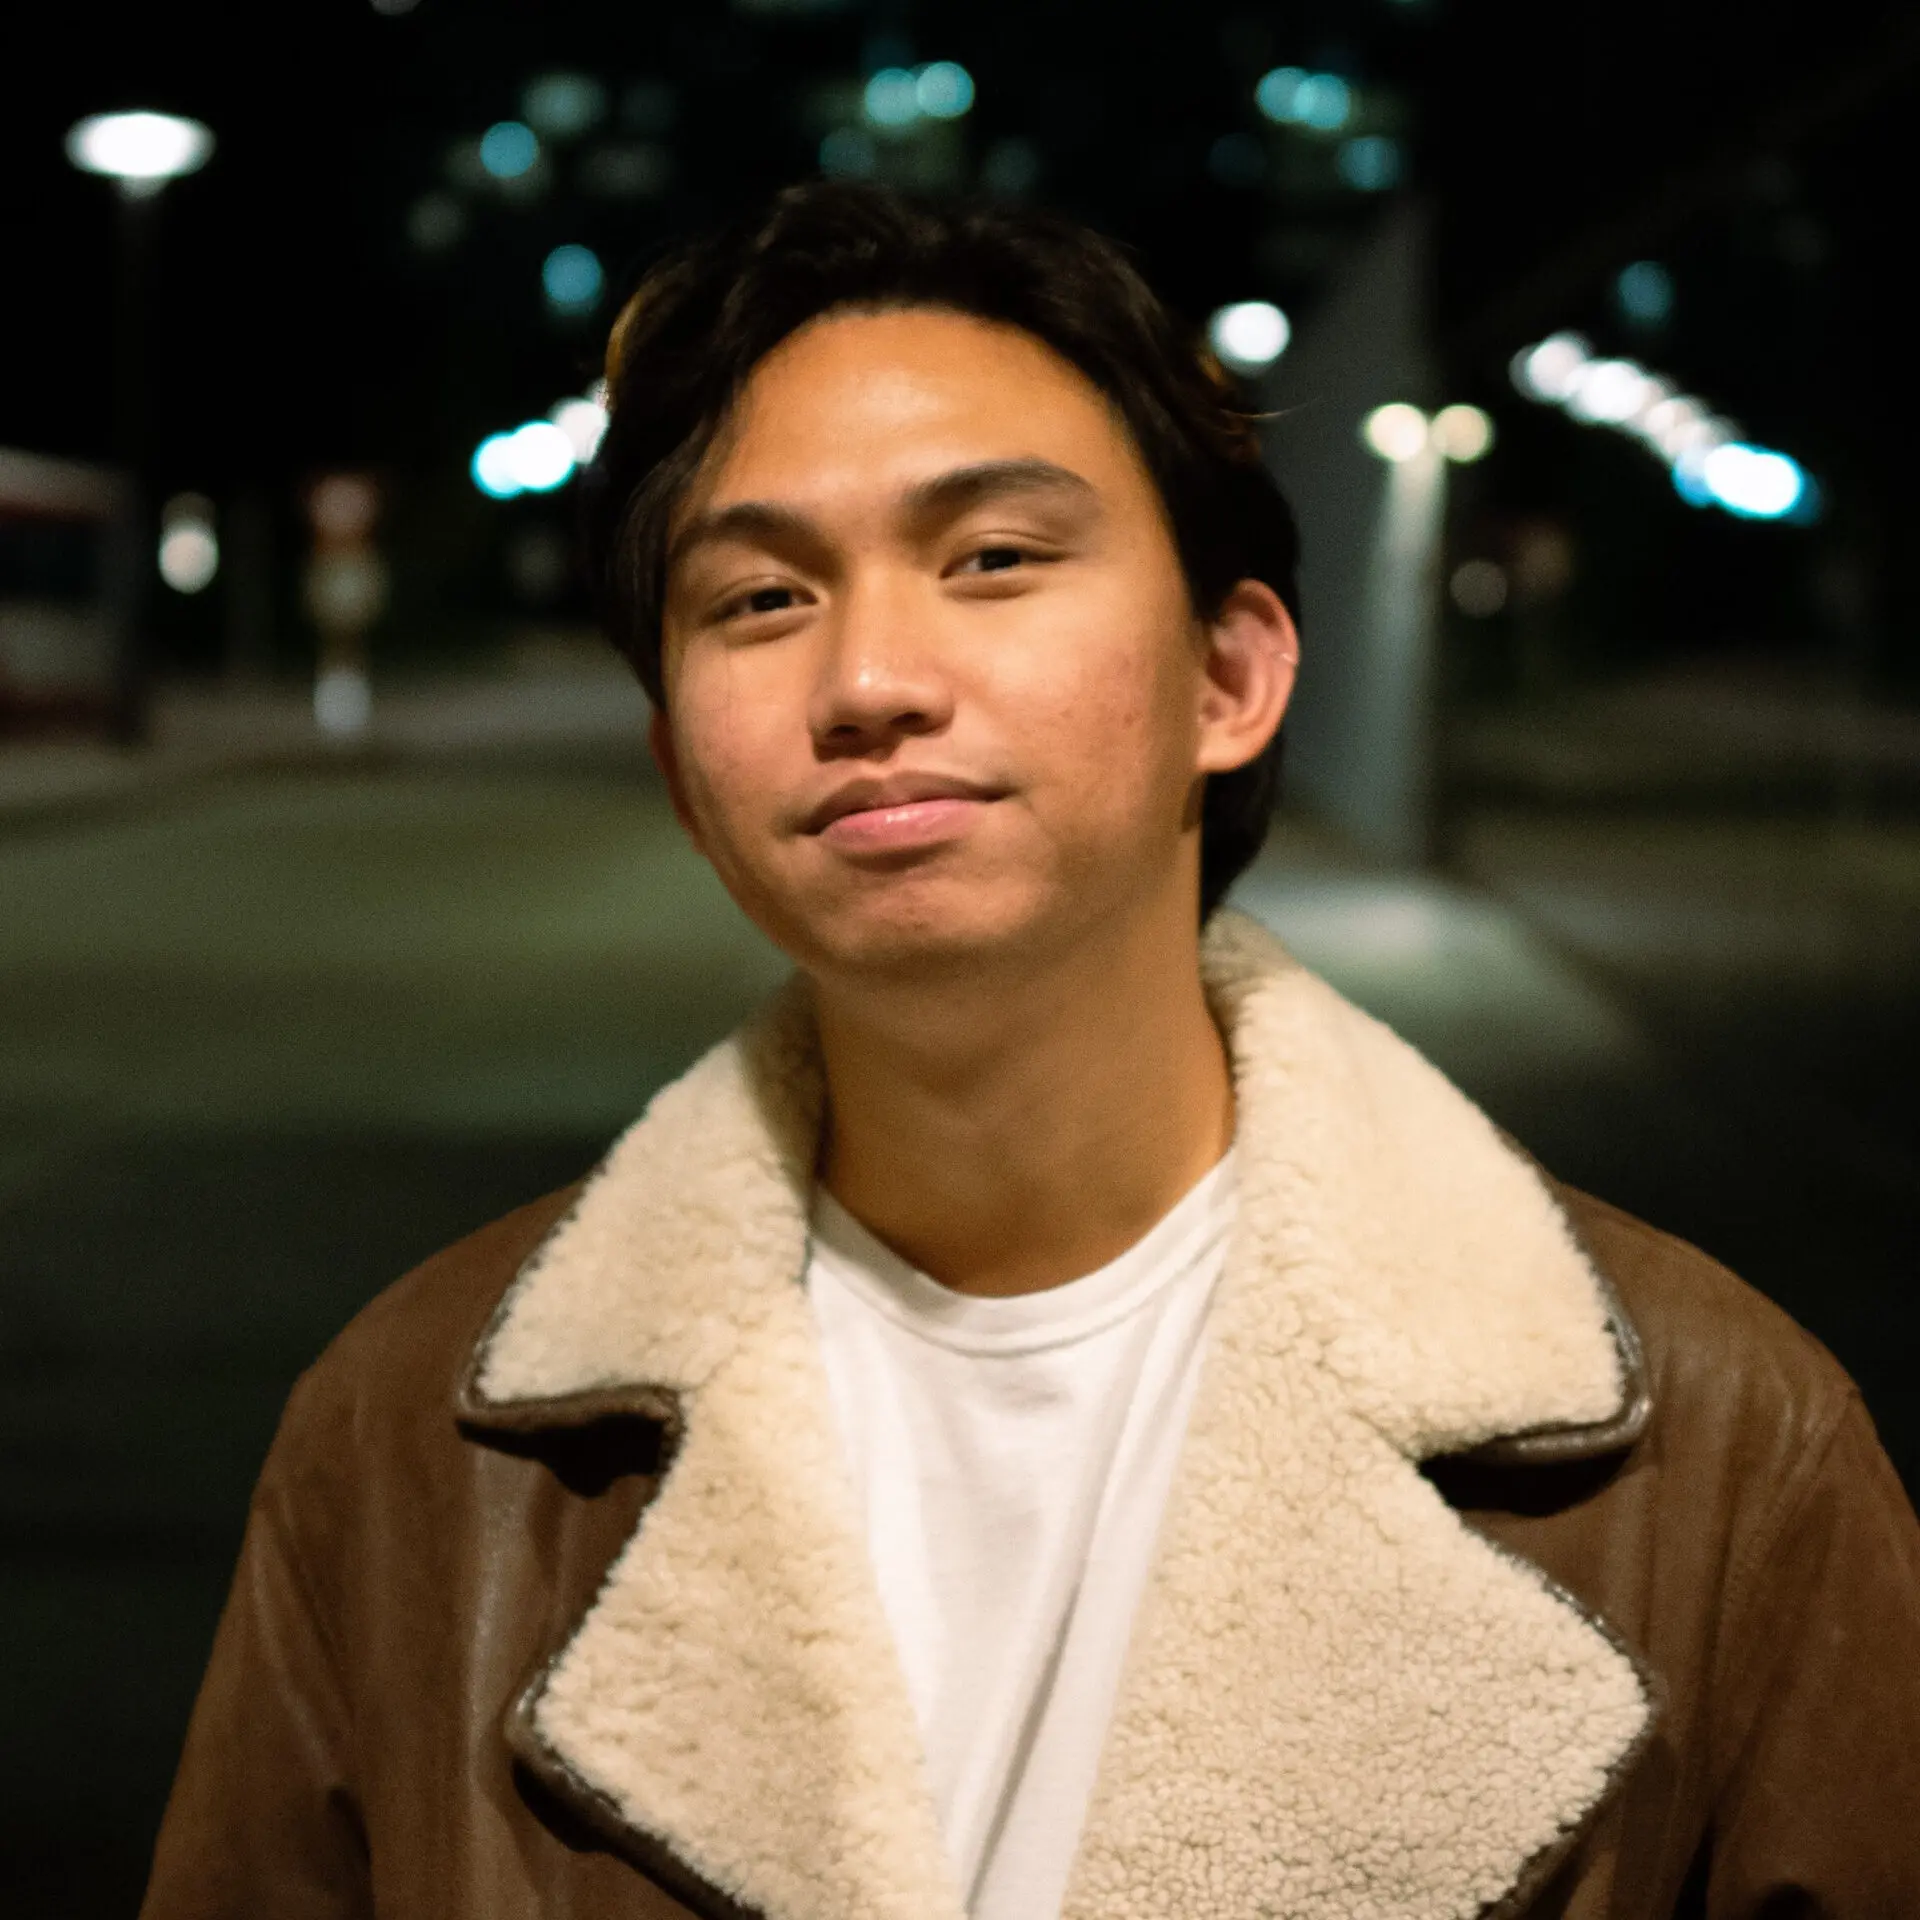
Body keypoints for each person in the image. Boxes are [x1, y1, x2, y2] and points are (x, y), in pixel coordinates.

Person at [142, 182, 1920, 1920]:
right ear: (689, 776)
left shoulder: (1719, 1451)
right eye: (759, 600)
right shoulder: (414, 1447)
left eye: (993, 558)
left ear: (1232, 676)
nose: (869, 680)